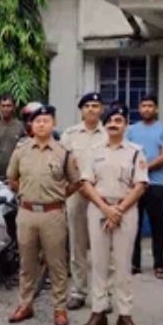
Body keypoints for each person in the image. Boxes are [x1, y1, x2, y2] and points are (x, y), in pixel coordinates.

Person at [7, 104, 81, 325]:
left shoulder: (63, 152)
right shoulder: (21, 150)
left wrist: (57, 197)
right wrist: (26, 194)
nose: (41, 124)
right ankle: (25, 304)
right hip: (27, 213)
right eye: (37, 121)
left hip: (53, 214)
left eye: (46, 121)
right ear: (31, 125)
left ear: (53, 124)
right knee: (27, 263)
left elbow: (75, 182)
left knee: (57, 263)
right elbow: (12, 178)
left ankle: (59, 308)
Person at [78, 105, 147, 325]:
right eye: (109, 121)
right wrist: (106, 209)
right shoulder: (95, 150)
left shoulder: (136, 151)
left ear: (126, 124)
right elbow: (86, 183)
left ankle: (124, 315)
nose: (113, 124)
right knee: (98, 262)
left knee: (123, 264)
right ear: (104, 125)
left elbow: (140, 185)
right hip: (99, 208)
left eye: (118, 120)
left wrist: (117, 210)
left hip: (125, 210)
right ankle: (98, 311)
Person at [62, 92, 107, 311]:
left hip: (101, 197)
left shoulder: (109, 134)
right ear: (81, 110)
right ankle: (78, 291)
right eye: (87, 105)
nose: (91, 109)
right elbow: (62, 163)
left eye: (95, 105)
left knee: (102, 247)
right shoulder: (70, 135)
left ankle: (102, 294)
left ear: (102, 110)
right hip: (77, 194)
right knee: (77, 246)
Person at [127, 94, 163, 279]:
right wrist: (137, 170)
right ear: (139, 109)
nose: (147, 109)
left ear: (156, 109)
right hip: (134, 184)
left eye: (150, 106)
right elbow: (126, 153)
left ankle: (159, 265)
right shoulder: (131, 130)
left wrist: (144, 167)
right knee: (133, 226)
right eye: (144, 106)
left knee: (157, 227)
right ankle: (134, 264)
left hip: (156, 184)